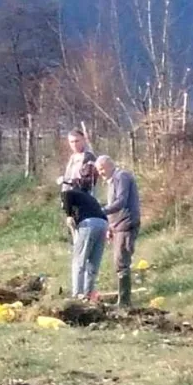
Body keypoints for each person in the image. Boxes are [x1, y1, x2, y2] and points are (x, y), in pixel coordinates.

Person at [95, 155, 141, 308]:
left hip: (126, 224)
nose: (100, 172)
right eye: (98, 170)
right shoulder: (111, 182)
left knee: (122, 262)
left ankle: (125, 302)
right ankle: (123, 300)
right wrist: (110, 227)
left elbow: (120, 202)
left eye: (101, 168)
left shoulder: (121, 177)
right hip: (117, 226)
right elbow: (113, 207)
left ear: (109, 165)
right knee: (118, 262)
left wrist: (101, 211)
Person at [61, 163, 107, 300]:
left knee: (79, 261)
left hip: (88, 224)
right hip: (103, 224)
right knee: (93, 263)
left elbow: (66, 194)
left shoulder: (73, 192)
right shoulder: (91, 198)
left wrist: (69, 214)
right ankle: (88, 294)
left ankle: (77, 295)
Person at [59, 128, 97, 192]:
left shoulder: (88, 157)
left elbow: (88, 182)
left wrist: (68, 181)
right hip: (71, 195)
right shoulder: (72, 157)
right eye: (72, 142)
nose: (74, 144)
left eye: (77, 141)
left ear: (83, 140)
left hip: (83, 196)